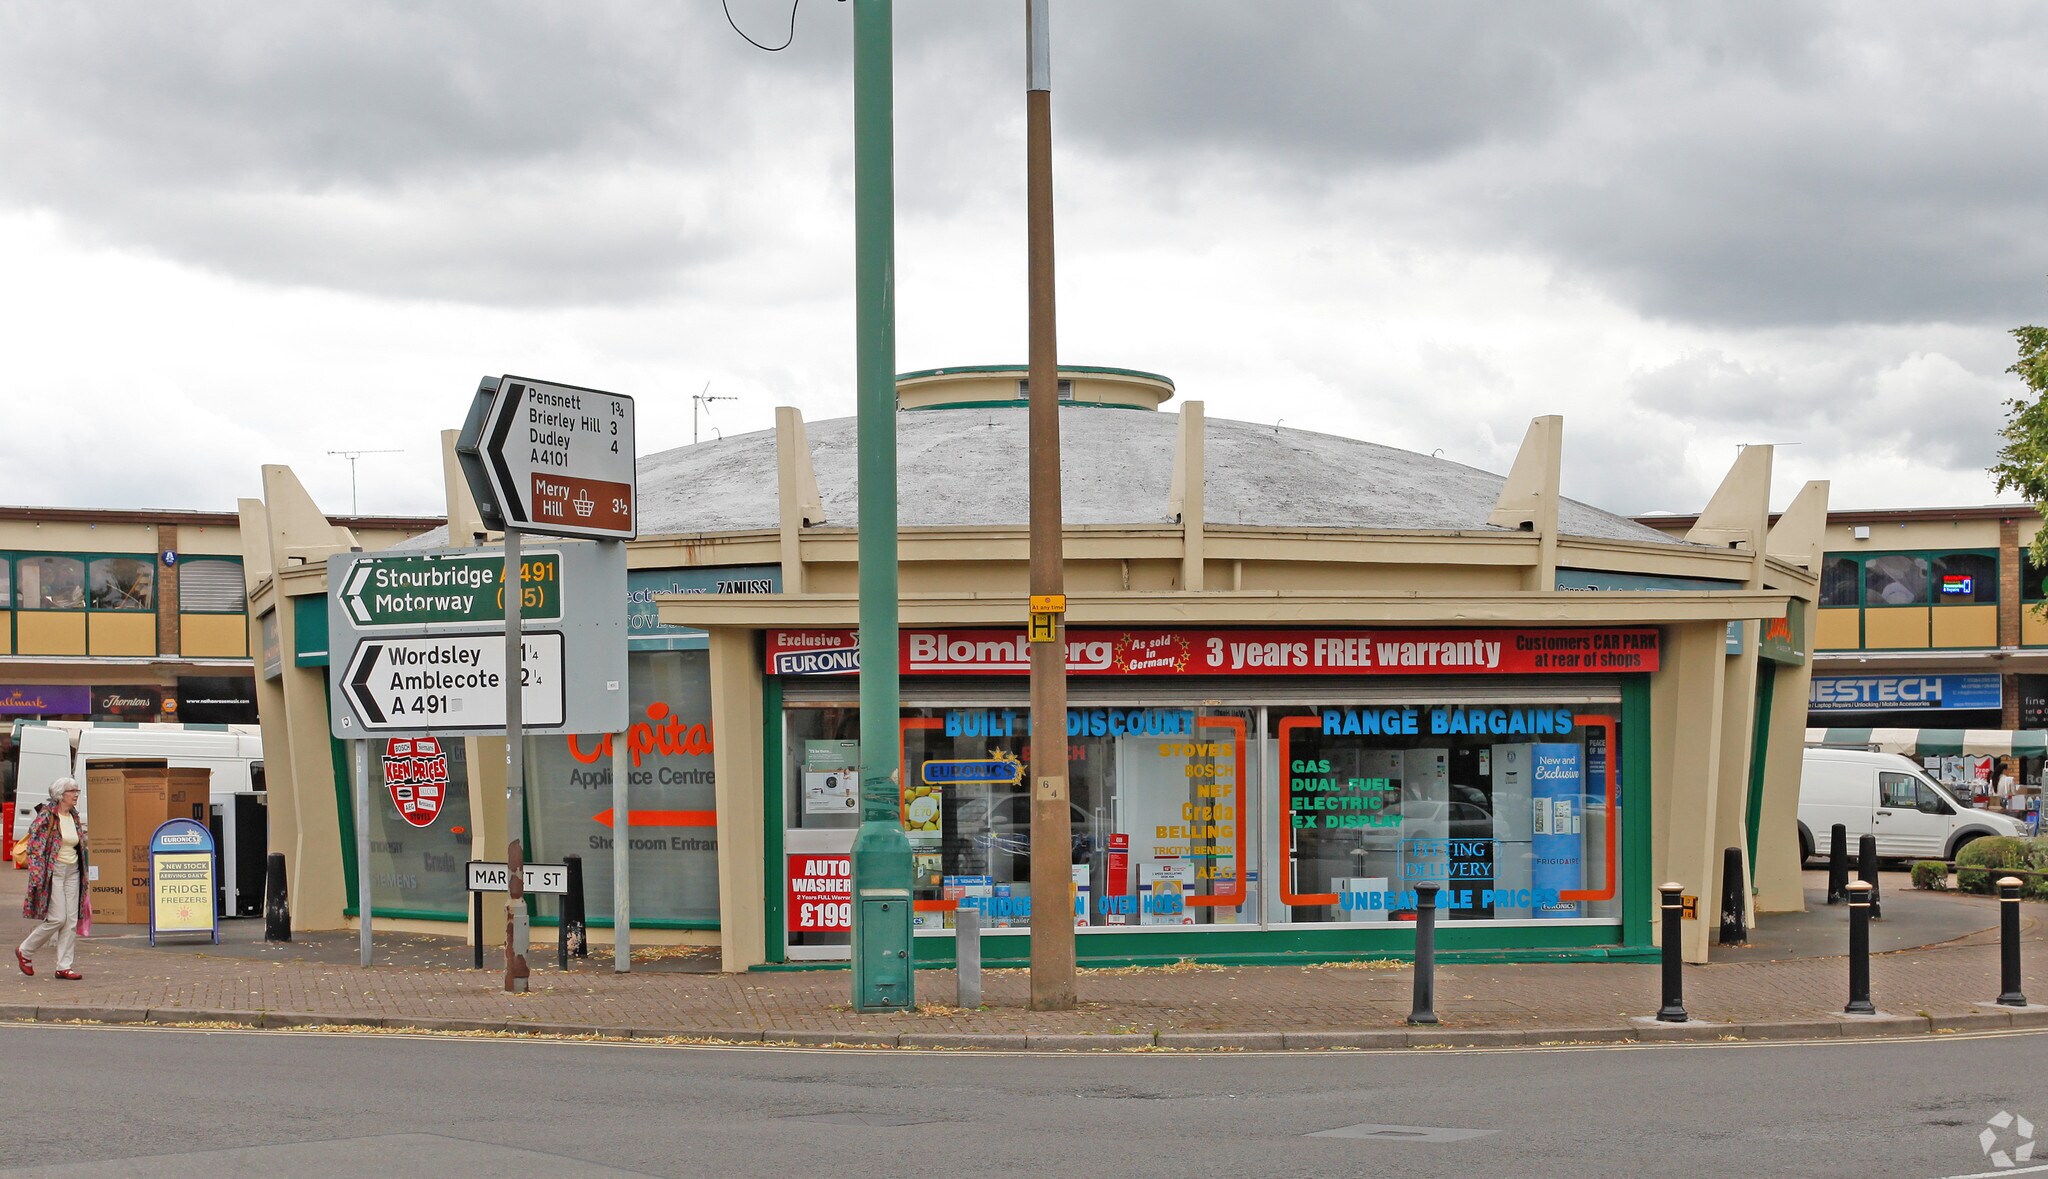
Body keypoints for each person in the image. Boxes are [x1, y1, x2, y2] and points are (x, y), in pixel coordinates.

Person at [16, 778, 87, 980]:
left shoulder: (73, 816)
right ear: (60, 794)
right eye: (71, 791)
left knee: (71, 920)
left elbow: (77, 844)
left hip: (73, 871)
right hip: (53, 872)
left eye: (77, 790)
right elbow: (35, 848)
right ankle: (25, 950)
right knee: (57, 918)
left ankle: (64, 966)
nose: (76, 794)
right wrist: (37, 877)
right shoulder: (47, 816)